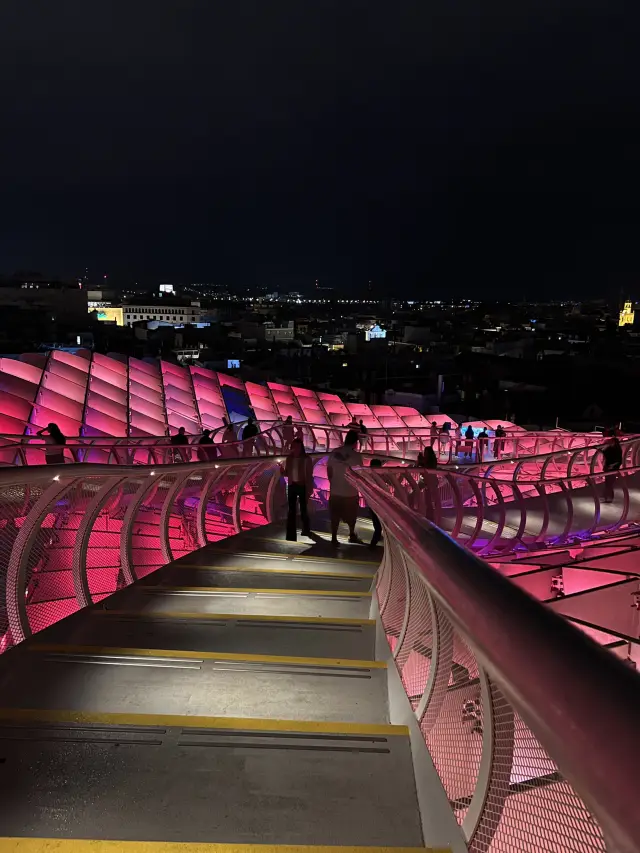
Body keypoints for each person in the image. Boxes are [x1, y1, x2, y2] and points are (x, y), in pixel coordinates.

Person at [327, 429, 363, 546]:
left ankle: (333, 538)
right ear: (355, 442)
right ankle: (351, 534)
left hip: (335, 491)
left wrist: (333, 482)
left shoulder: (334, 452)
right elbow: (360, 474)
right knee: (351, 516)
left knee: (335, 515)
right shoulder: (357, 456)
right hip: (350, 492)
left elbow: (329, 470)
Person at [283, 438, 313, 540]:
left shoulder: (306, 459)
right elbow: (287, 473)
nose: (295, 449)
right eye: (294, 447)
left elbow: (309, 475)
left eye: (297, 447)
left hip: (302, 486)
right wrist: (282, 471)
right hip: (292, 485)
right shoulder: (289, 459)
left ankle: (306, 529)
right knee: (291, 510)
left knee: (303, 509)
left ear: (301, 448)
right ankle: (291, 534)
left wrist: (309, 488)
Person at [602, 434, 622, 503]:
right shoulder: (610, 448)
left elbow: (619, 461)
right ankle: (607, 498)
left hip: (613, 469)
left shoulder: (617, 450)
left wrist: (612, 466)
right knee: (607, 483)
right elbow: (603, 452)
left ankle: (609, 498)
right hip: (608, 468)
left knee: (610, 484)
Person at [368, 458, 383, 548]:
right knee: (378, 525)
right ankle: (373, 544)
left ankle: (374, 541)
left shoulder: (368, 475)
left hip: (372, 503)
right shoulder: (379, 477)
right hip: (378, 503)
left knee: (376, 523)